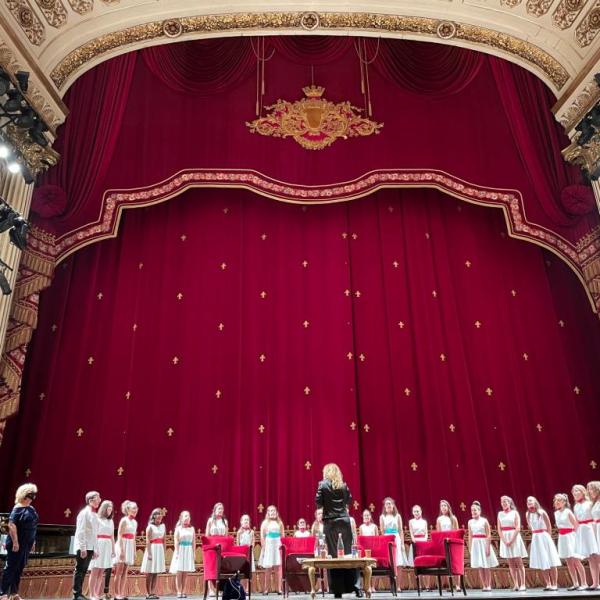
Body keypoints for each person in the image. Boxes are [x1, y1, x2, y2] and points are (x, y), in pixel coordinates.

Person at [315, 463, 361, 599]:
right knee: (348, 554)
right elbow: (349, 500)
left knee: (334, 556)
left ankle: (338, 590)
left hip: (330, 522)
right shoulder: (344, 485)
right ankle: (356, 587)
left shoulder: (322, 485)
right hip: (344, 521)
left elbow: (318, 502)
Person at [0, 483, 39, 600]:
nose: (33, 498)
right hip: (17, 543)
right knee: (11, 567)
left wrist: (33, 542)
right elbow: (12, 525)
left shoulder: (31, 509)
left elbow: (34, 526)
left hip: (27, 543)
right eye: (31, 495)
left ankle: (14, 593)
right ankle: (3, 593)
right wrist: (16, 542)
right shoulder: (17, 508)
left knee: (19, 568)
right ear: (25, 495)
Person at [525, 496, 560, 591]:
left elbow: (549, 526)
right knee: (542, 560)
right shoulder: (527, 514)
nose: (529, 502)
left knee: (551, 560)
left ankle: (554, 584)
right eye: (527, 501)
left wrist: (548, 538)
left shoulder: (542, 512)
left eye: (531, 500)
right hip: (536, 538)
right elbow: (530, 527)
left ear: (535, 502)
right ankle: (548, 583)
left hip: (544, 536)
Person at [553, 492, 587, 590]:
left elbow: (576, 525)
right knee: (568, 561)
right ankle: (575, 583)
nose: (557, 502)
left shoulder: (568, 512)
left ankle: (584, 583)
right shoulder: (556, 513)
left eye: (559, 500)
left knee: (576, 560)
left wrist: (577, 539)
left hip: (570, 537)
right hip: (562, 537)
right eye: (556, 500)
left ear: (564, 502)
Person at [72, 491, 101, 600]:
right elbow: (81, 531)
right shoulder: (84, 513)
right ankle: (76, 594)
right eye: (97, 498)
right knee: (79, 569)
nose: (99, 500)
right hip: (83, 546)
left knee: (84, 570)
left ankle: (79, 593)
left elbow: (95, 534)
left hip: (90, 546)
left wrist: (95, 549)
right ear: (90, 500)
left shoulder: (95, 514)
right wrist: (83, 548)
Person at [496, 496, 527, 591]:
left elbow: (517, 527)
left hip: (514, 537)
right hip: (505, 538)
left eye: (505, 501)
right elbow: (499, 529)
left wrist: (512, 539)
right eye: (502, 502)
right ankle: (516, 584)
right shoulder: (500, 514)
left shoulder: (515, 513)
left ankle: (523, 584)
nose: (504, 503)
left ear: (510, 503)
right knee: (511, 563)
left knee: (519, 561)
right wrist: (504, 540)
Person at [572, 483, 599, 589]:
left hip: (591, 529)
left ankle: (597, 582)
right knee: (591, 558)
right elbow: (576, 521)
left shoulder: (589, 503)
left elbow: (594, 517)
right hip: (582, 531)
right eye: (573, 491)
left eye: (577, 490)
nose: (575, 493)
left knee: (596, 556)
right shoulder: (576, 506)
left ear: (583, 492)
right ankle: (595, 582)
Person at [468, 501, 498, 591]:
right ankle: (484, 585)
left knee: (486, 565)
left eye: (475, 510)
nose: (473, 512)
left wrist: (488, 547)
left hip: (483, 543)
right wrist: (470, 548)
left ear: (479, 511)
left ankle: (488, 585)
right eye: (472, 510)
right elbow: (470, 535)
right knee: (480, 566)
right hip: (475, 544)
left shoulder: (484, 521)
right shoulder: (470, 522)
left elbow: (488, 535)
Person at [88, 501, 115, 600]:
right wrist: (94, 549)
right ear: (104, 509)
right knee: (95, 570)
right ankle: (91, 594)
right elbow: (93, 535)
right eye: (109, 508)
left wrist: (113, 549)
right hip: (99, 544)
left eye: (111, 509)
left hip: (107, 545)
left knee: (101, 571)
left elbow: (112, 536)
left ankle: (96, 593)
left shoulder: (110, 521)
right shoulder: (97, 519)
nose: (110, 510)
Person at [113, 500, 138, 600]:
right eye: (133, 508)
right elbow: (119, 535)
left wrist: (134, 551)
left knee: (125, 572)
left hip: (130, 546)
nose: (136, 510)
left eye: (136, 508)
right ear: (128, 510)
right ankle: (116, 594)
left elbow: (134, 537)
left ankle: (122, 593)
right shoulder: (124, 520)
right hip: (122, 545)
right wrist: (122, 551)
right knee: (118, 572)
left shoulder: (135, 522)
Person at [140, 508, 166, 599]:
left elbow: (164, 540)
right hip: (152, 548)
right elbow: (147, 540)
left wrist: (164, 551)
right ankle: (148, 593)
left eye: (160, 514)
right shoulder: (150, 527)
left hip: (159, 549)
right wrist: (149, 553)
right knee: (150, 572)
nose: (159, 516)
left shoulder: (163, 526)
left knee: (155, 572)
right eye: (157, 514)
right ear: (154, 516)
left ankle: (153, 592)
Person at [169, 511, 196, 598]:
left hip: (188, 550)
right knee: (179, 572)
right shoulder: (178, 528)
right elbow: (176, 541)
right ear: (181, 518)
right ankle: (179, 591)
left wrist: (193, 552)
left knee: (185, 573)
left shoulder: (192, 529)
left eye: (188, 516)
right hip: (180, 550)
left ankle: (184, 590)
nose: (187, 517)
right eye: (185, 516)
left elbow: (193, 542)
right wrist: (177, 552)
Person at [258, 505, 284, 594]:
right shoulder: (265, 523)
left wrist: (282, 546)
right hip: (269, 545)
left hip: (277, 545)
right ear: (268, 513)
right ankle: (266, 589)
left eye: (273, 510)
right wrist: (264, 548)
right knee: (268, 568)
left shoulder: (279, 523)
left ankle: (279, 588)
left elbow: (282, 535)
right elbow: (262, 536)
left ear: (276, 512)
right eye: (270, 511)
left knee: (277, 568)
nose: (272, 512)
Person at [205, 503, 228, 597]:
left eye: (222, 509)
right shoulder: (210, 521)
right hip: (212, 546)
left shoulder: (225, 521)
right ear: (214, 510)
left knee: (221, 568)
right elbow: (207, 535)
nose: (221, 510)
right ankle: (211, 589)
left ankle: (221, 589)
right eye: (219, 509)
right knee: (212, 567)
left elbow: (226, 535)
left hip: (222, 546)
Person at [407, 505, 431, 591]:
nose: (416, 513)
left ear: (421, 512)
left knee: (425, 564)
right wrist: (414, 541)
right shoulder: (411, 521)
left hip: (423, 542)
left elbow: (426, 533)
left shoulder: (424, 521)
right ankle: (419, 586)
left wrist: (424, 541)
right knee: (416, 565)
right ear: (413, 512)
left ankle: (427, 586)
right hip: (415, 543)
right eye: (415, 511)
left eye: (418, 511)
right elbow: (411, 533)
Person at [379, 497, 407, 570]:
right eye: (386, 504)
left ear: (393, 505)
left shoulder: (397, 516)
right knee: (389, 558)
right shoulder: (382, 517)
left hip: (396, 538)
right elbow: (382, 531)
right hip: (386, 538)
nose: (388, 505)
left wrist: (402, 543)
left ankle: (399, 580)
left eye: (390, 504)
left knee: (398, 559)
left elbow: (400, 530)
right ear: (384, 506)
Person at [236, 514, 255, 592]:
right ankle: (241, 588)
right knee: (241, 571)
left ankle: (246, 588)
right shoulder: (239, 532)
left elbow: (253, 541)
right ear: (241, 522)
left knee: (247, 571)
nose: (246, 521)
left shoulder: (251, 532)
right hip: (242, 554)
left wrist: (251, 547)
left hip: (249, 553)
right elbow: (237, 543)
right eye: (244, 519)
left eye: (247, 519)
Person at [588, 481, 600, 590]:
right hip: (596, 529)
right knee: (595, 557)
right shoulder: (594, 503)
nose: (590, 492)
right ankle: (596, 583)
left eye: (591, 489)